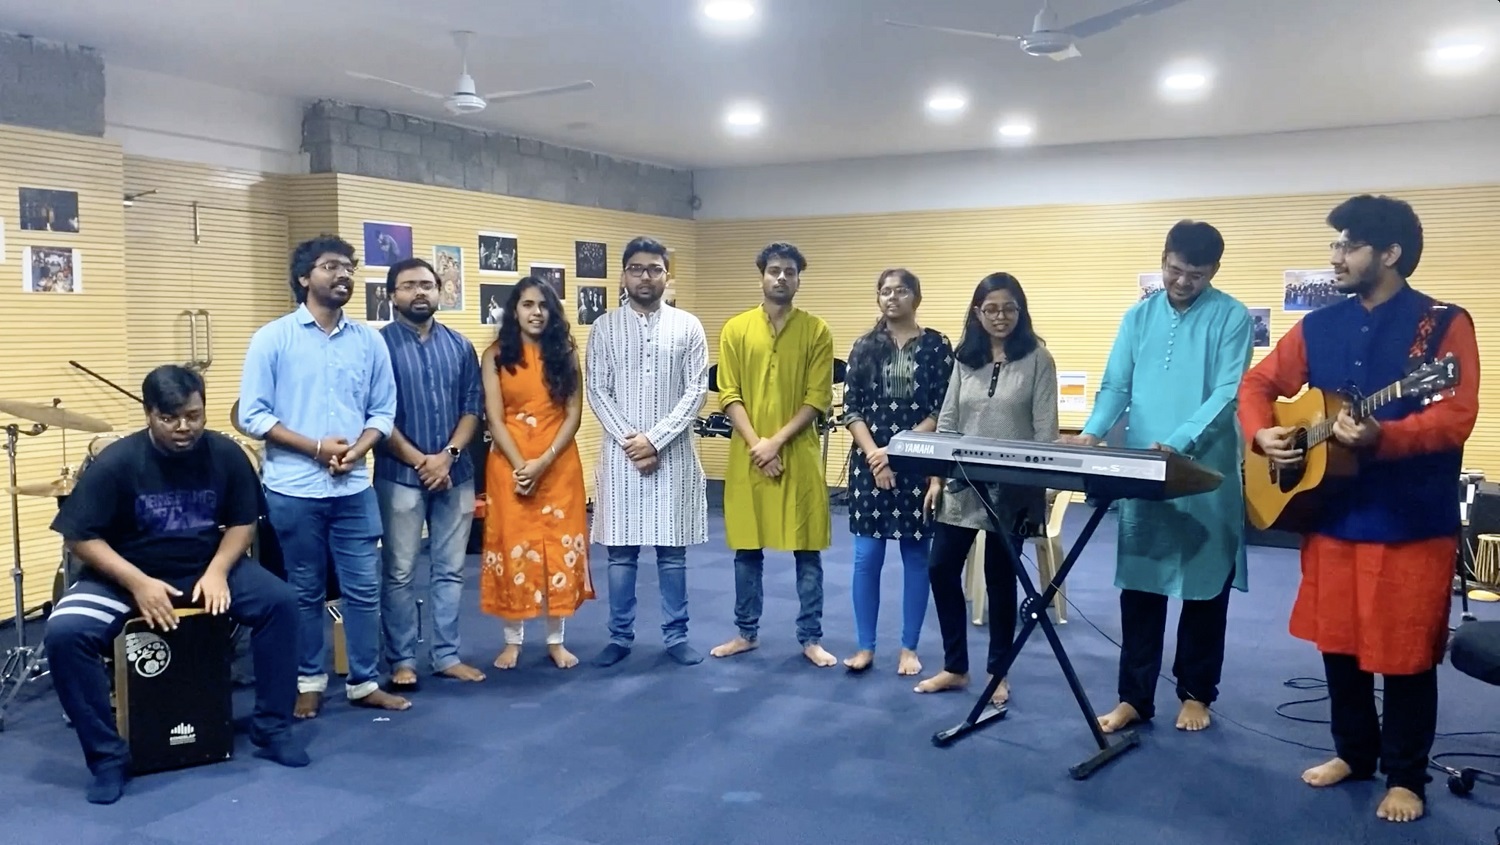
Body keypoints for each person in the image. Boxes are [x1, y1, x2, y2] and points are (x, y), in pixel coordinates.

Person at [1238, 194, 1480, 823]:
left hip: (1409, 521)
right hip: (1331, 512)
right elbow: (1258, 385)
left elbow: (1455, 415)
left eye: (1347, 245)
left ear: (1390, 253)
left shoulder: (1443, 323)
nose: (1334, 256)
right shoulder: (1320, 325)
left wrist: (1386, 437)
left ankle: (1406, 776)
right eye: (1335, 245)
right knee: (1338, 643)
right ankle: (1354, 752)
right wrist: (1261, 433)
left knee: (1404, 651)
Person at [44, 365, 307, 805]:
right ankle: (107, 759)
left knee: (280, 603)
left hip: (204, 567)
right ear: (149, 414)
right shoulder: (117, 462)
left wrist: (219, 570)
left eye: (193, 415)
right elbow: (80, 539)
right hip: (124, 577)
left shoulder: (225, 454)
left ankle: (272, 729)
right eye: (170, 418)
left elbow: (243, 522)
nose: (184, 427)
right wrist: (139, 582)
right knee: (65, 633)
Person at [1062, 220, 1252, 735]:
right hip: (1144, 468)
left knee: (1203, 585)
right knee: (1142, 585)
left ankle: (1195, 693)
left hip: (1204, 467)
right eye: (1174, 269)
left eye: (1195, 273)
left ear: (1214, 270)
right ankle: (1133, 698)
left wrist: (1182, 441)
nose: (1182, 281)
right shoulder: (1138, 317)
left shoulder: (1232, 317)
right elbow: (1115, 385)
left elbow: (1227, 391)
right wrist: (1094, 435)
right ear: (1163, 259)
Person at [238, 234, 410, 717]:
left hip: (354, 486)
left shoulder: (369, 341)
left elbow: (382, 411)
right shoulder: (272, 338)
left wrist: (357, 451)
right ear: (303, 277)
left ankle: (363, 681)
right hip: (294, 488)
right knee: (305, 589)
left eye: (349, 268)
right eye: (331, 266)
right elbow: (253, 415)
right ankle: (309, 680)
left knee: (363, 587)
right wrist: (314, 449)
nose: (343, 275)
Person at [916, 273, 1057, 705]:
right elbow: (947, 422)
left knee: (1000, 580)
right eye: (991, 308)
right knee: (941, 568)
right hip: (962, 483)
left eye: (1009, 308)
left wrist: (1040, 487)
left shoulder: (1038, 358)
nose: (1001, 317)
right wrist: (937, 476)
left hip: (1013, 488)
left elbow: (1044, 431)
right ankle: (955, 666)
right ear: (977, 313)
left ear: (1022, 310)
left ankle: (999, 672)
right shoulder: (965, 358)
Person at [710, 242, 838, 667]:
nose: (781, 278)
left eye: (789, 272)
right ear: (761, 275)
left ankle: (811, 637)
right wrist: (758, 445)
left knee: (808, 550)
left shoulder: (817, 330)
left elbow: (817, 397)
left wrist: (775, 442)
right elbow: (729, 393)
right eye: (774, 271)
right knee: (747, 550)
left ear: (799, 279)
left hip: (798, 455)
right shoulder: (736, 329)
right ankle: (746, 632)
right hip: (748, 456)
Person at [585, 237, 710, 668]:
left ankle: (676, 636)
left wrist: (654, 440)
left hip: (671, 455)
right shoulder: (604, 327)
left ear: (666, 275)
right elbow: (597, 391)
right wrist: (633, 443)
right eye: (636, 269)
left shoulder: (688, 326)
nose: (645, 277)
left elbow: (696, 392)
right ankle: (620, 636)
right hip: (621, 459)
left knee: (671, 554)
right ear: (623, 275)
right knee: (621, 553)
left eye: (654, 269)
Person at [374, 257, 486, 688]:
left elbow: (471, 408)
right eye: (408, 286)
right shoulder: (376, 348)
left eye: (426, 284)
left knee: (450, 569)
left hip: (455, 473)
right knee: (399, 570)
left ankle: (446, 654)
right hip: (398, 475)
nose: (419, 292)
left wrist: (448, 456)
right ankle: (402, 659)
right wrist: (422, 461)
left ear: (440, 291)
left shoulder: (460, 346)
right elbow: (374, 415)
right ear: (392, 295)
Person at [841, 268, 953, 675]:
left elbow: (942, 409)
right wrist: (876, 455)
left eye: (900, 290)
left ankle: (909, 647)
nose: (892, 298)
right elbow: (851, 408)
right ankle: (865, 646)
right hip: (870, 464)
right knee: (866, 557)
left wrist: (898, 449)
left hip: (918, 461)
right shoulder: (864, 346)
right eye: (885, 292)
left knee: (915, 556)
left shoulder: (937, 346)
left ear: (916, 298)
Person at [479, 276, 593, 670]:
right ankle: (512, 640)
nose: (536, 312)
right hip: (509, 467)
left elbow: (574, 414)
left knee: (558, 551)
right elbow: (494, 417)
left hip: (558, 465)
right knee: (515, 547)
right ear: (515, 310)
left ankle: (556, 640)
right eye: (527, 305)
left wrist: (543, 461)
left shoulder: (565, 353)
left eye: (543, 305)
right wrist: (521, 466)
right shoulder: (494, 355)